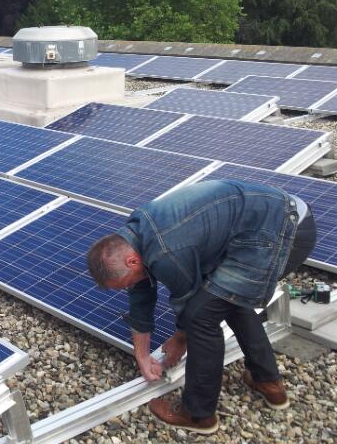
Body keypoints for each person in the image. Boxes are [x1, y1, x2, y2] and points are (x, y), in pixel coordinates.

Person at [86, 179, 316, 434]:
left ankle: (198, 414)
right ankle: (269, 383)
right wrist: (142, 355)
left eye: (128, 281)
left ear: (131, 261)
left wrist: (179, 340)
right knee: (229, 298)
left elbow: (190, 303)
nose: (133, 285)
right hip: (259, 226)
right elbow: (141, 293)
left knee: (201, 316)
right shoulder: (134, 236)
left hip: (286, 231)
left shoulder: (166, 251)